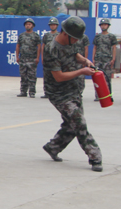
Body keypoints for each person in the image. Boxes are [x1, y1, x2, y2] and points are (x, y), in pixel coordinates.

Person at [42, 16, 102, 172]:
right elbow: (58, 76)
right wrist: (82, 71)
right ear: (65, 34)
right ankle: (95, 156)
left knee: (71, 124)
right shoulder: (51, 49)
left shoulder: (72, 43)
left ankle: (53, 147)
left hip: (74, 89)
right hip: (59, 93)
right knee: (79, 122)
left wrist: (85, 61)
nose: (76, 42)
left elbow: (75, 54)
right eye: (74, 38)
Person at [92, 18, 117, 101]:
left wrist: (113, 59)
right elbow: (95, 47)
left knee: (107, 78)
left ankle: (109, 95)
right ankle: (98, 96)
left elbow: (114, 48)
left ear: (108, 26)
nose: (103, 26)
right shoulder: (97, 36)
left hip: (107, 59)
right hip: (98, 59)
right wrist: (93, 58)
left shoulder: (111, 36)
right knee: (97, 78)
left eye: (105, 25)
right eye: (102, 25)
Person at [16, 18, 41, 98]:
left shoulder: (36, 36)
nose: (28, 25)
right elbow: (18, 46)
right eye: (26, 24)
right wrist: (17, 56)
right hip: (23, 59)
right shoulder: (21, 35)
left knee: (32, 76)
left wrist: (37, 58)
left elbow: (39, 47)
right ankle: (23, 91)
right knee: (23, 76)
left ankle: (32, 92)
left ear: (33, 26)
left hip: (32, 59)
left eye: (29, 24)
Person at [39, 17, 59, 99]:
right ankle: (47, 92)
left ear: (57, 25)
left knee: (57, 76)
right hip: (47, 59)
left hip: (56, 59)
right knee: (47, 76)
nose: (52, 26)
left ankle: (56, 93)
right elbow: (43, 46)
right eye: (51, 25)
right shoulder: (46, 35)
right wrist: (42, 57)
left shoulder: (59, 35)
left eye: (54, 25)